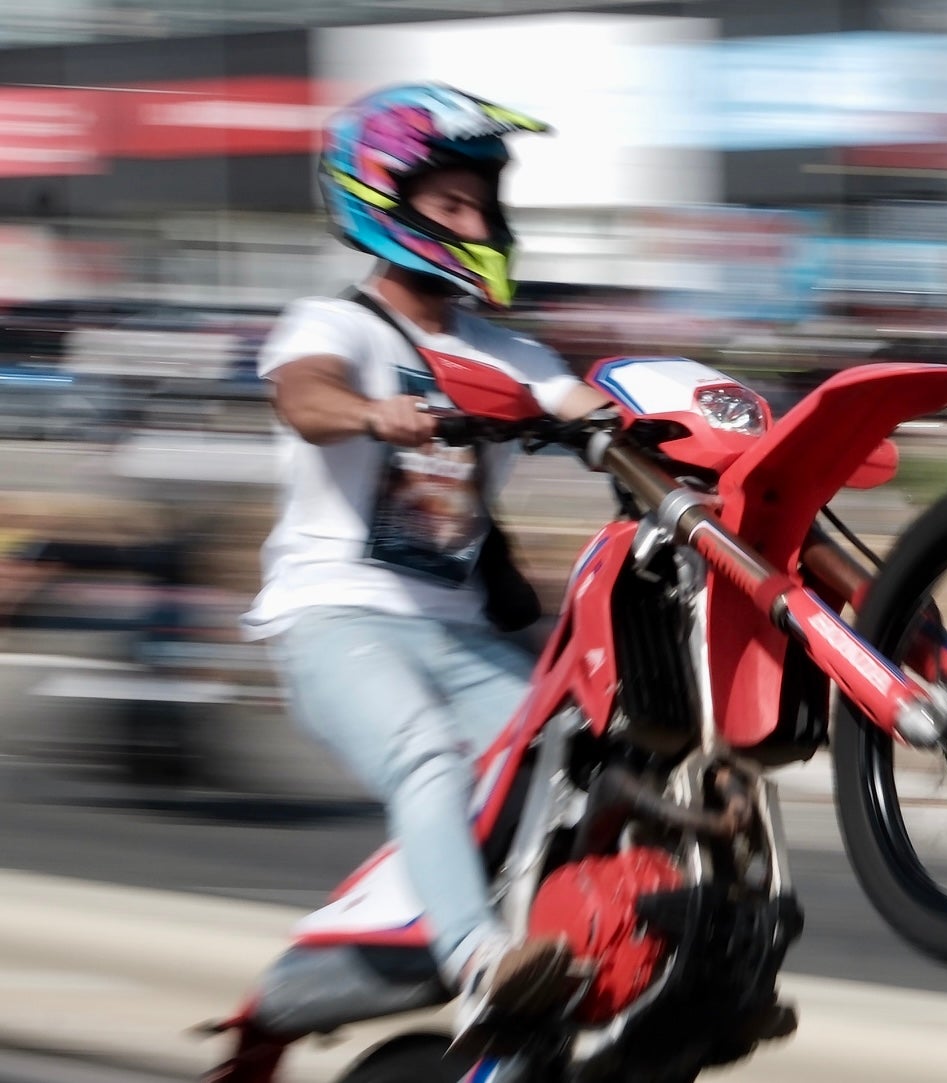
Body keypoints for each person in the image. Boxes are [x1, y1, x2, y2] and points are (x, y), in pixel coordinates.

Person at [239, 83, 611, 1046]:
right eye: (453, 204)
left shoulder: (508, 352)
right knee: (426, 753)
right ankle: (480, 959)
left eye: (485, 205)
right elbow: (305, 397)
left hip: (463, 632)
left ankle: (651, 965)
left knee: (588, 752)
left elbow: (590, 412)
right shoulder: (336, 326)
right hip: (336, 616)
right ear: (384, 202)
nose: (479, 224)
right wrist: (373, 413)